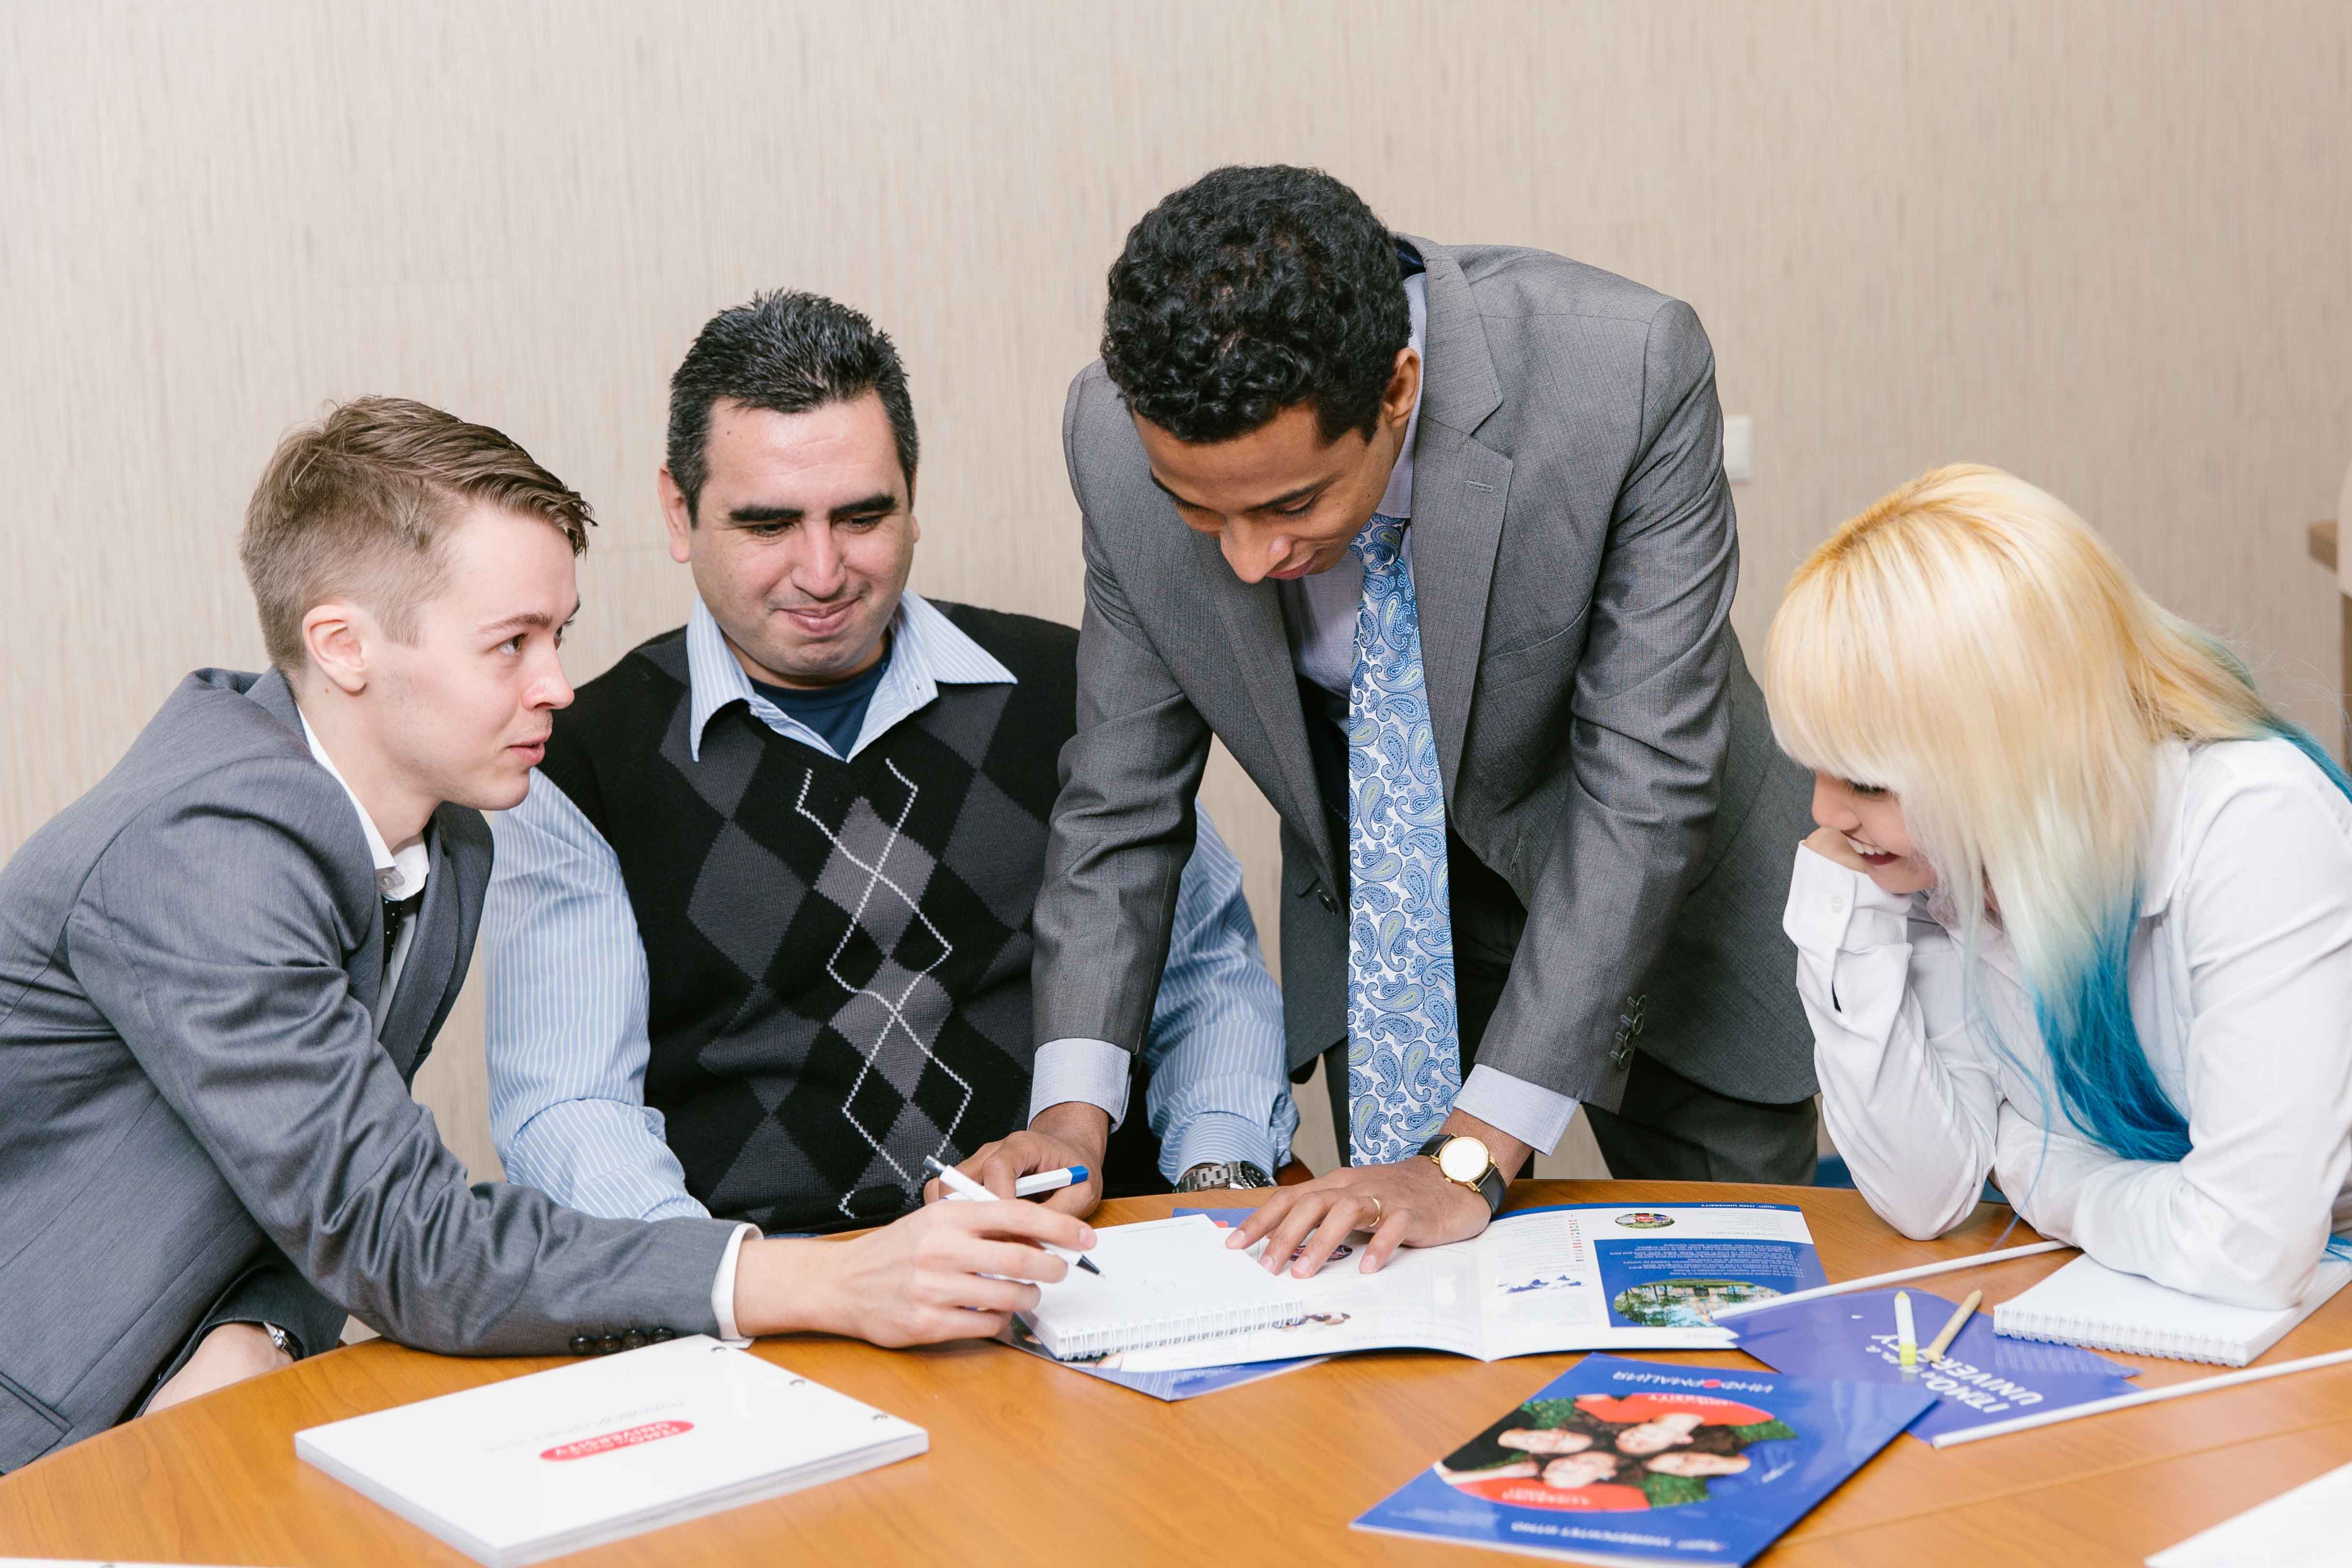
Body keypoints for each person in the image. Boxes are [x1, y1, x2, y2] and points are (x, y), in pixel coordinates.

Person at [0, 398, 1090, 1472]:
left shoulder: (447, 833)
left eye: (556, 636)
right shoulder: (206, 853)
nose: (558, 686)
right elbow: (402, 1236)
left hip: (172, 1383)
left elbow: (307, 1182)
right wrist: (827, 1279)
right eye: (510, 643)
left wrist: (264, 1330)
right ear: (343, 646)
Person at [1018, 163, 1819, 1275]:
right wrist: (1070, 1117)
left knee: (1726, 1297)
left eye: (1291, 504)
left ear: (1397, 388)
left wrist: (1469, 1157)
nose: (1246, 558)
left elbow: (1646, 783)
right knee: (1396, 1292)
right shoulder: (1114, 445)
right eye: (1200, 511)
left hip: (1667, 906)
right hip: (1393, 920)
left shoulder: (1624, 370)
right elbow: (1118, 803)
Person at [484, 291, 1295, 1235]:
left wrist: (1217, 1180)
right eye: (768, 526)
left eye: (862, 516)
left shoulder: (1075, 688)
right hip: (779, 1285)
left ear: (913, 495)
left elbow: (1205, 977)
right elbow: (572, 1106)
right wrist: (745, 1280)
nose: (822, 572)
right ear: (679, 510)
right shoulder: (573, 762)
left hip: (1091, 1249)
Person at [1769, 463, 2352, 1309]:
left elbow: (2249, 1246)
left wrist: (2044, 1171)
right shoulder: (1951, 871)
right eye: (1815, 766)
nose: (1824, 812)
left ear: (2007, 752)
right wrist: (1845, 917)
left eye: (1867, 780)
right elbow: (1928, 1197)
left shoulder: (2254, 822)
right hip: (2195, 1302)